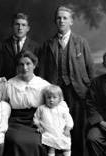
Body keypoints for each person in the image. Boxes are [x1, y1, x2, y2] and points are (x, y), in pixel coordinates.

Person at [39, 5, 95, 156]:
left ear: (71, 21)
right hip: (54, 92)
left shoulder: (81, 42)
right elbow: (42, 70)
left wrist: (90, 91)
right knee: (54, 126)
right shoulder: (48, 44)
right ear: (55, 21)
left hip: (77, 92)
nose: (61, 21)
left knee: (75, 127)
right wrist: (45, 90)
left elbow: (90, 69)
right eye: (59, 18)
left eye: (65, 18)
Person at [3, 50, 50, 156]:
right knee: (16, 140)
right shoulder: (9, 84)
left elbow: (56, 105)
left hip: (37, 122)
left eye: (28, 64)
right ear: (17, 67)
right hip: (15, 122)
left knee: (37, 142)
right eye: (21, 64)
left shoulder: (43, 85)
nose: (25, 68)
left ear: (34, 65)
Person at [0, 12, 40, 80]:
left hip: (27, 86)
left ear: (28, 28)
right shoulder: (2, 46)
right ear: (12, 26)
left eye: (23, 25)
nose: (20, 28)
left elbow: (38, 71)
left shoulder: (35, 46)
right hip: (7, 85)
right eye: (17, 24)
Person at [33, 85, 74, 156]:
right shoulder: (41, 108)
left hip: (61, 131)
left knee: (66, 144)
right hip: (49, 131)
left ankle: (67, 153)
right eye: (49, 97)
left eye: (54, 97)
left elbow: (69, 120)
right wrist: (39, 126)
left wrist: (67, 129)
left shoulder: (62, 109)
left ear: (59, 99)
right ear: (45, 98)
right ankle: (51, 153)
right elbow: (36, 118)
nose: (51, 100)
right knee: (51, 146)